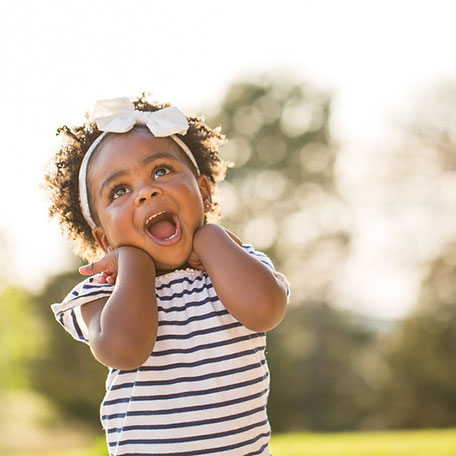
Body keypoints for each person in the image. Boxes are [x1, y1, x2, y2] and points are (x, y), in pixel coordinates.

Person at [45, 95, 289, 456]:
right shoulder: (101, 293)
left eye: (160, 171)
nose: (147, 192)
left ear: (204, 193)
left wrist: (212, 236)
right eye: (120, 191)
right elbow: (125, 349)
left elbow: (266, 310)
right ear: (103, 239)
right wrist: (135, 266)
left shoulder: (233, 264)